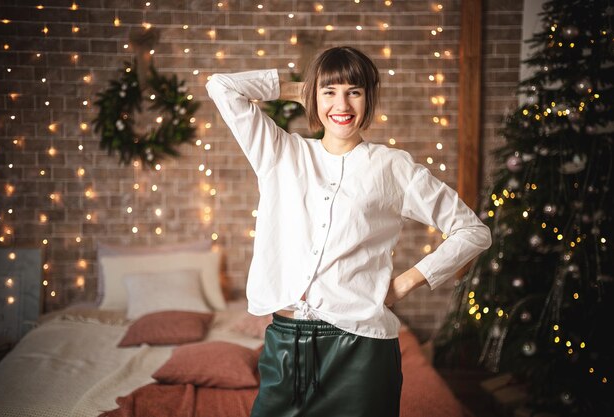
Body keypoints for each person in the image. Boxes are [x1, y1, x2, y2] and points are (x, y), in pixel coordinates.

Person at [206, 46, 492, 417]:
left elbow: (472, 230)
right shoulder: (279, 152)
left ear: (369, 98)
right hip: (284, 342)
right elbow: (221, 86)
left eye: (354, 91)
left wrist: (405, 283)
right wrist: (300, 89)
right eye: (330, 92)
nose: (342, 104)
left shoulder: (393, 168)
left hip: (362, 348)